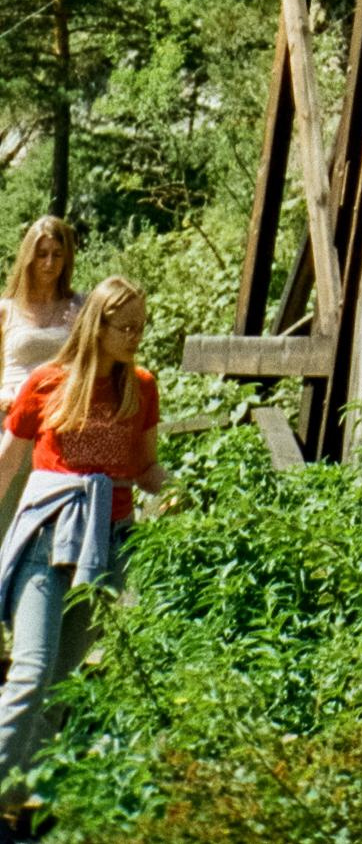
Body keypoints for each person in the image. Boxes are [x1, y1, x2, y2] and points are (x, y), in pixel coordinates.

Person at [0, 278, 159, 798]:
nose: (135, 335)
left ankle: (23, 805)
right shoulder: (47, 382)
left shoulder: (141, 385)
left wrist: (181, 493)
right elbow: (8, 462)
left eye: (142, 326)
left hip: (107, 542)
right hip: (48, 532)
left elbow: (146, 467)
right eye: (126, 326)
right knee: (31, 672)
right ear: (97, 324)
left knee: (64, 683)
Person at [0, 226, 80, 415]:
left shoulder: (81, 306)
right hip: (13, 413)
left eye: (57, 254)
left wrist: (84, 332)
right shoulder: (6, 309)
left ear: (66, 258)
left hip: (61, 415)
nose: (49, 263)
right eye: (42, 254)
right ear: (28, 257)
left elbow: (98, 362)